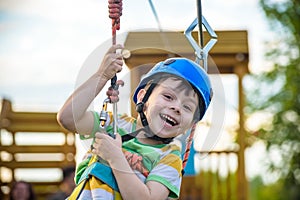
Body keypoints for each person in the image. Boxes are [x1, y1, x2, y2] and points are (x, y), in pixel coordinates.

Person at [57, 44, 213, 199]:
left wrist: (116, 158)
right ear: (142, 98)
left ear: (189, 126)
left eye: (187, 107)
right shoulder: (116, 124)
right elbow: (68, 118)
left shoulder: (169, 158)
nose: (176, 108)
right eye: (168, 97)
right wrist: (102, 76)